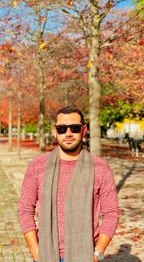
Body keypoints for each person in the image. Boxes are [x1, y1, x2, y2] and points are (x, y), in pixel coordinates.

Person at [18, 105, 119, 262]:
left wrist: (98, 252)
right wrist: (36, 252)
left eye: (75, 128)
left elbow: (111, 214)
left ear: (84, 130)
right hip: (45, 254)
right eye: (62, 129)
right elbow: (25, 210)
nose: (69, 133)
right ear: (54, 131)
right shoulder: (37, 166)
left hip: (85, 255)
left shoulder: (100, 167)